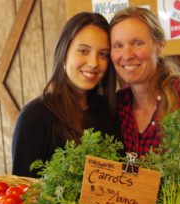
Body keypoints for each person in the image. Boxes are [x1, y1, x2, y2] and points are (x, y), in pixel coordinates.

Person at [109, 6, 180, 157]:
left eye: (137, 43)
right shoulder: (118, 105)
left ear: (159, 46)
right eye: (118, 46)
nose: (127, 55)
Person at [12, 12, 118, 177]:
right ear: (63, 53)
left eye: (103, 54)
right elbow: (23, 193)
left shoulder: (108, 111)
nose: (94, 63)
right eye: (83, 51)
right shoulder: (34, 117)